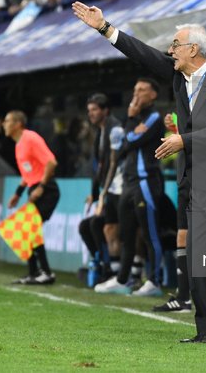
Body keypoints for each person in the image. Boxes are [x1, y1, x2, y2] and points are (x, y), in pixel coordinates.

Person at [72, 2, 206, 345]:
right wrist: (105, 28)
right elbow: (144, 56)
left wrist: (183, 141)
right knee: (199, 259)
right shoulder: (180, 74)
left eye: (175, 44)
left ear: (193, 49)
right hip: (197, 183)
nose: (170, 50)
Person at [94, 78, 166, 297]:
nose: (136, 94)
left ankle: (154, 281)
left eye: (142, 90)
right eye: (134, 90)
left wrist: (132, 123)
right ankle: (122, 279)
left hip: (145, 182)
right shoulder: (133, 120)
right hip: (128, 183)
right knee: (126, 235)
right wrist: (132, 127)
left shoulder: (154, 117)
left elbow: (131, 142)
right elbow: (121, 147)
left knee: (149, 233)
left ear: (153, 95)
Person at [4, 110, 60, 285]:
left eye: (7, 121)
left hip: (47, 189)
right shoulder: (19, 143)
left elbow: (51, 162)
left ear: (18, 124)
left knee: (28, 227)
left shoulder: (31, 138)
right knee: (23, 227)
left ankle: (46, 273)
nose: (3, 124)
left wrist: (42, 186)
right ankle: (33, 273)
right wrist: (18, 193)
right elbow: (29, 171)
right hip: (34, 187)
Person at [79, 93, 122, 284]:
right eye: (89, 111)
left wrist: (103, 195)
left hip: (120, 189)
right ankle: (100, 263)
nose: (91, 114)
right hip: (108, 190)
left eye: (95, 110)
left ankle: (110, 269)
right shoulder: (100, 132)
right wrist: (95, 194)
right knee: (86, 226)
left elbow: (113, 165)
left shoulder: (115, 128)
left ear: (105, 110)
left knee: (99, 224)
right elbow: (101, 168)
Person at [152, 113, 192, 313]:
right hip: (185, 181)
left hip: (205, 180)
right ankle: (183, 297)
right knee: (182, 236)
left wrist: (182, 136)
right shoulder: (185, 97)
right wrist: (177, 132)